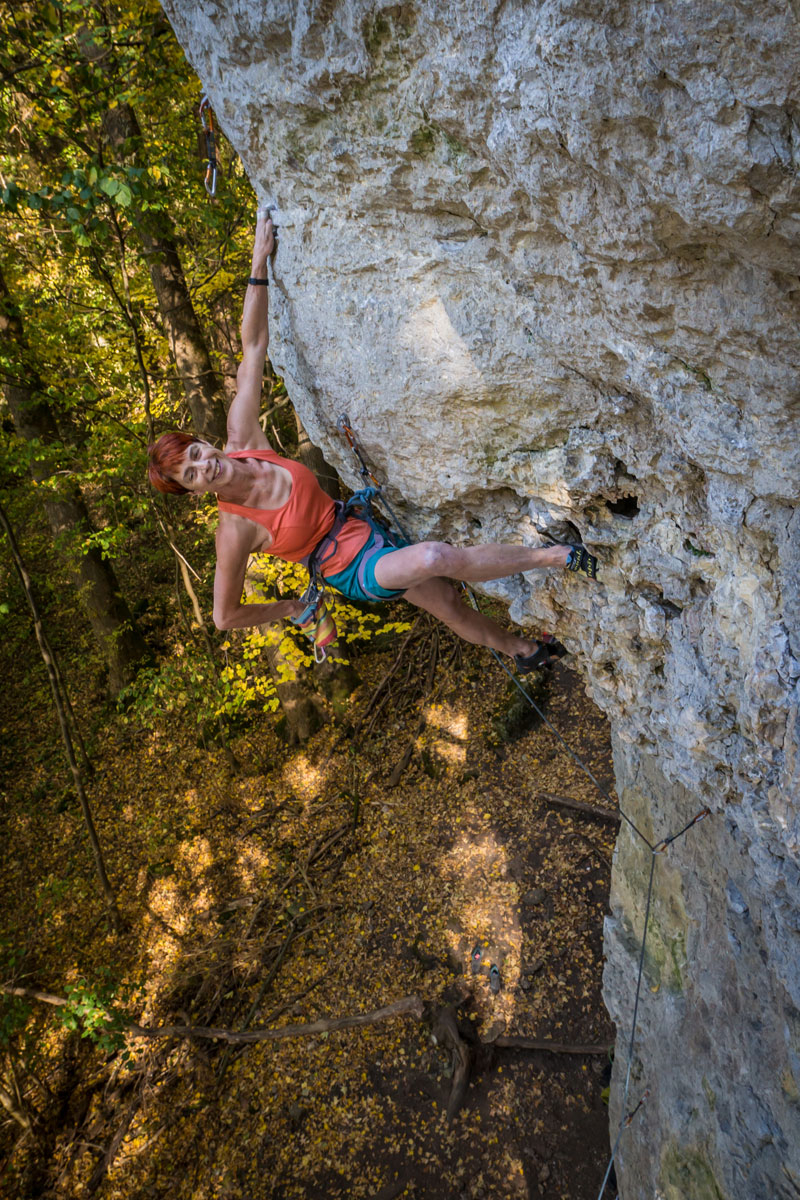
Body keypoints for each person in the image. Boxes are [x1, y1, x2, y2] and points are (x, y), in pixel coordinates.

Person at [148, 211, 597, 671]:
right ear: (194, 492)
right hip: (349, 568)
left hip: (364, 528)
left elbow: (253, 347)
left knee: (448, 604)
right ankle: (559, 556)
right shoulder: (234, 530)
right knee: (434, 557)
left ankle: (522, 652)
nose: (204, 466)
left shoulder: (243, 436)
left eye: (196, 454)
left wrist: (259, 261)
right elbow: (223, 616)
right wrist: (290, 609)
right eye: (191, 475)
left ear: (205, 443)